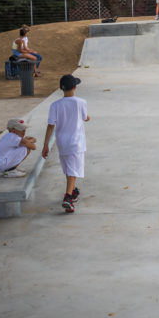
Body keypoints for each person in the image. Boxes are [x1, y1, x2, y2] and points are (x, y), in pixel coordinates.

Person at [43, 74, 90, 214]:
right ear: (75, 87)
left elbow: (50, 125)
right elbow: (85, 117)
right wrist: (88, 117)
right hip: (76, 141)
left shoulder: (55, 105)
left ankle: (73, 190)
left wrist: (45, 145)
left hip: (62, 142)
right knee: (72, 170)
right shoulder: (81, 102)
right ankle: (68, 197)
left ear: (61, 88)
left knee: (69, 168)